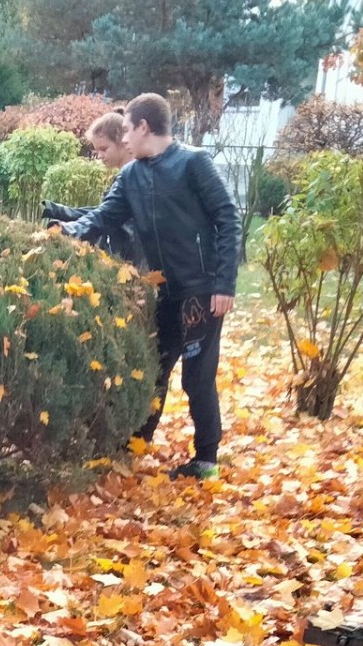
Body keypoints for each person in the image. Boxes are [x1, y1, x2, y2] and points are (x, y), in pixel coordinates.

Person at [50, 93, 239, 480]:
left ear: (143, 127)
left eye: (125, 130)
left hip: (202, 290)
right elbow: (103, 218)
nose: (123, 139)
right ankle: (138, 443)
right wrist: (64, 231)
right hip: (164, 291)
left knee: (196, 376)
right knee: (154, 369)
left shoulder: (193, 163)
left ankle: (206, 458)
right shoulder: (131, 175)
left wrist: (224, 283)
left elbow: (228, 217)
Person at [42, 110, 139, 265]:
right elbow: (107, 211)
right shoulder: (128, 175)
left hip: (131, 261)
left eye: (104, 149)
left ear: (121, 141)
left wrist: (68, 227)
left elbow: (105, 216)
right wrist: (58, 211)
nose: (99, 156)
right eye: (96, 150)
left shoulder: (133, 177)